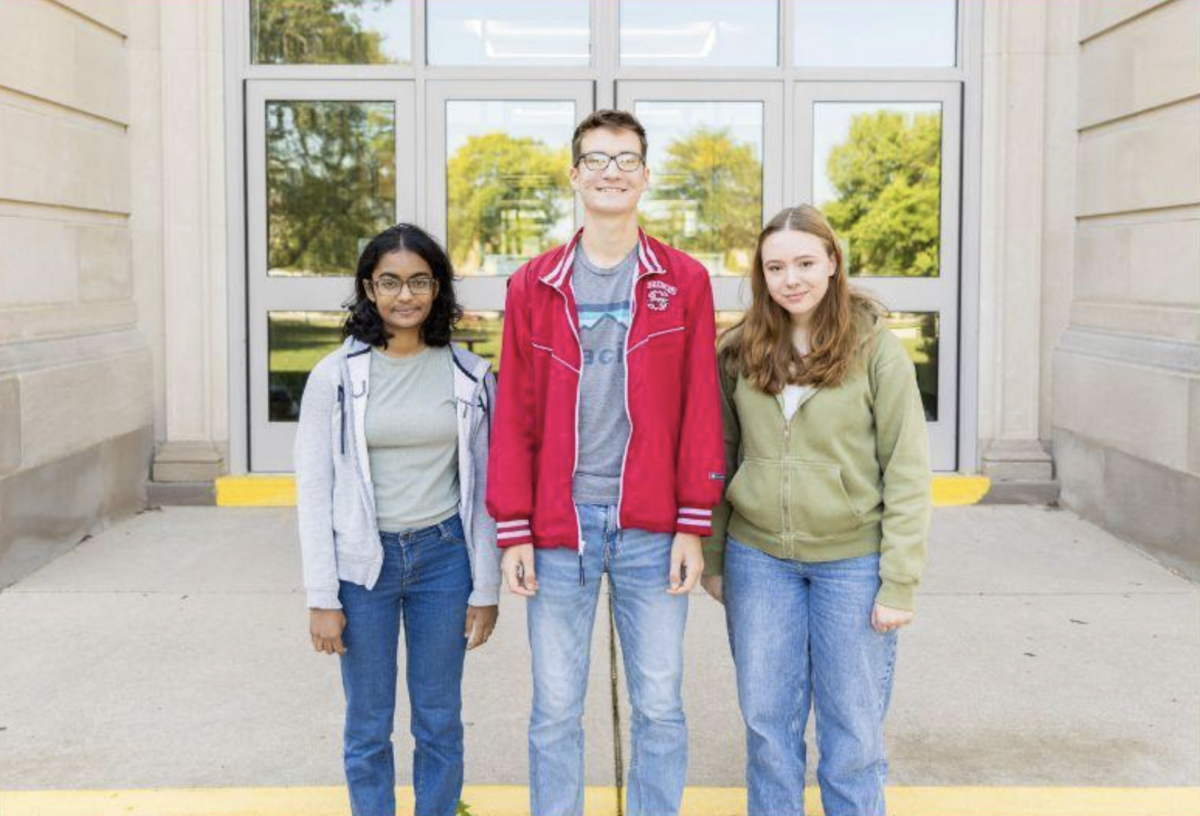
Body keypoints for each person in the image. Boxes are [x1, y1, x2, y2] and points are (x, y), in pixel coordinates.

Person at [486, 109, 724, 816]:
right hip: (559, 531)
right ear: (574, 177)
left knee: (658, 705)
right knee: (555, 710)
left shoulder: (682, 281)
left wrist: (691, 525)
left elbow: (699, 409)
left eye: (626, 160)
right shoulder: (535, 284)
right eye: (597, 159)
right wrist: (516, 529)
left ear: (646, 177)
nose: (612, 172)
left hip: (651, 528)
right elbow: (515, 416)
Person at [701, 204, 931, 816]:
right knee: (768, 729)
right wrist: (715, 557)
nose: (791, 278)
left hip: (851, 564)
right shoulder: (739, 351)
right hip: (759, 560)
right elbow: (722, 457)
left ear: (832, 262)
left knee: (852, 733)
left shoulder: (877, 351)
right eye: (776, 267)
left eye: (805, 262)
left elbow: (907, 470)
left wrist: (899, 580)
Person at [295, 223, 501, 816]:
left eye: (419, 281)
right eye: (390, 281)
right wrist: (321, 595)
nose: (404, 295)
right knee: (368, 721)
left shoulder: (469, 375)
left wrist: (483, 586)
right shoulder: (334, 377)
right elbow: (314, 491)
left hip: (443, 561)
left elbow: (483, 489)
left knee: (439, 717)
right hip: (364, 568)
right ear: (369, 287)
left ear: (438, 289)